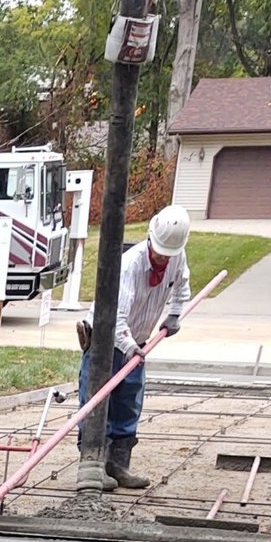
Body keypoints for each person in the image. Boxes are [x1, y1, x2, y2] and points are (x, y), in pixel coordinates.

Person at [76, 204, 192, 491]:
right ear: (151, 238)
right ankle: (92, 467)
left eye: (168, 254)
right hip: (105, 342)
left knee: (128, 404)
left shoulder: (176, 257)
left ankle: (118, 465)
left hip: (137, 343)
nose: (163, 257)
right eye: (160, 252)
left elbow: (181, 287)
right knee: (97, 403)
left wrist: (175, 314)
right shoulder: (129, 265)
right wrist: (128, 346)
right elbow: (115, 317)